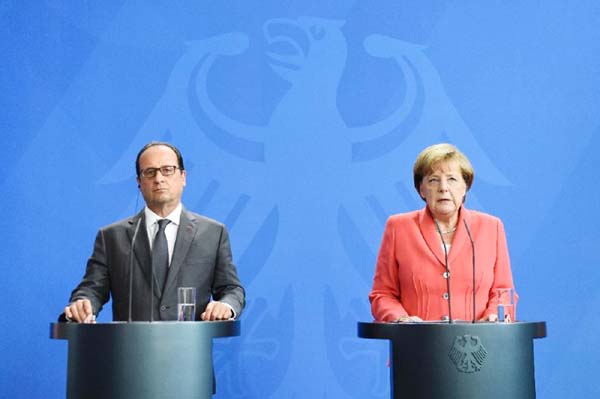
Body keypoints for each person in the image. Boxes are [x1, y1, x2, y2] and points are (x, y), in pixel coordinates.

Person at [62, 141, 245, 323]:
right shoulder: (112, 237)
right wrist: (82, 303)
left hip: (190, 348)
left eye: (167, 170)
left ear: (183, 177)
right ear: (139, 182)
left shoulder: (213, 233)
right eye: (149, 172)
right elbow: (92, 289)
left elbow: (231, 289)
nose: (159, 179)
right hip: (131, 349)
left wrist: (226, 306)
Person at [369, 143, 517, 322]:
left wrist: (493, 317)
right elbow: (382, 295)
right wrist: (402, 320)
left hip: (478, 346)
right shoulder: (399, 227)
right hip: (416, 344)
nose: (443, 188)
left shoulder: (491, 227)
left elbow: (503, 292)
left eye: (452, 179)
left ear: (465, 188)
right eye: (433, 180)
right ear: (421, 190)